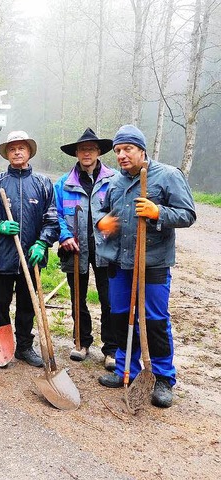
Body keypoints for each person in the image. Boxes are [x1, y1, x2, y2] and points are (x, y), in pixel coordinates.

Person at [96, 125, 196, 408]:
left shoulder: (168, 176)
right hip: (120, 262)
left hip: (152, 262)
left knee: (153, 319)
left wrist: (157, 212)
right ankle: (126, 370)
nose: (122, 155)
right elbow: (104, 213)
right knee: (120, 316)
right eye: (117, 151)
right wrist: (103, 223)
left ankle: (163, 378)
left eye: (127, 149)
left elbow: (187, 214)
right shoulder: (115, 183)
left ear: (141, 150)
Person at [0, 131, 59, 368]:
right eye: (12, 149)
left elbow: (52, 220)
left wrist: (42, 243)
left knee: (27, 305)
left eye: (21, 148)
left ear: (29, 152)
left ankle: (23, 346)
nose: (17, 152)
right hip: (2, 257)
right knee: (0, 304)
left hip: (31, 257)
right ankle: (3, 345)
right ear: (7, 154)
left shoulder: (43, 184)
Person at [54, 128, 117, 369]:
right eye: (82, 149)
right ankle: (81, 342)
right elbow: (56, 214)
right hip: (75, 249)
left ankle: (111, 349)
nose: (86, 153)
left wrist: (110, 226)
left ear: (99, 151)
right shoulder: (64, 183)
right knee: (77, 298)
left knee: (109, 299)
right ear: (76, 154)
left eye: (91, 149)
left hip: (105, 249)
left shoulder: (113, 180)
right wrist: (64, 235)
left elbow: (119, 212)